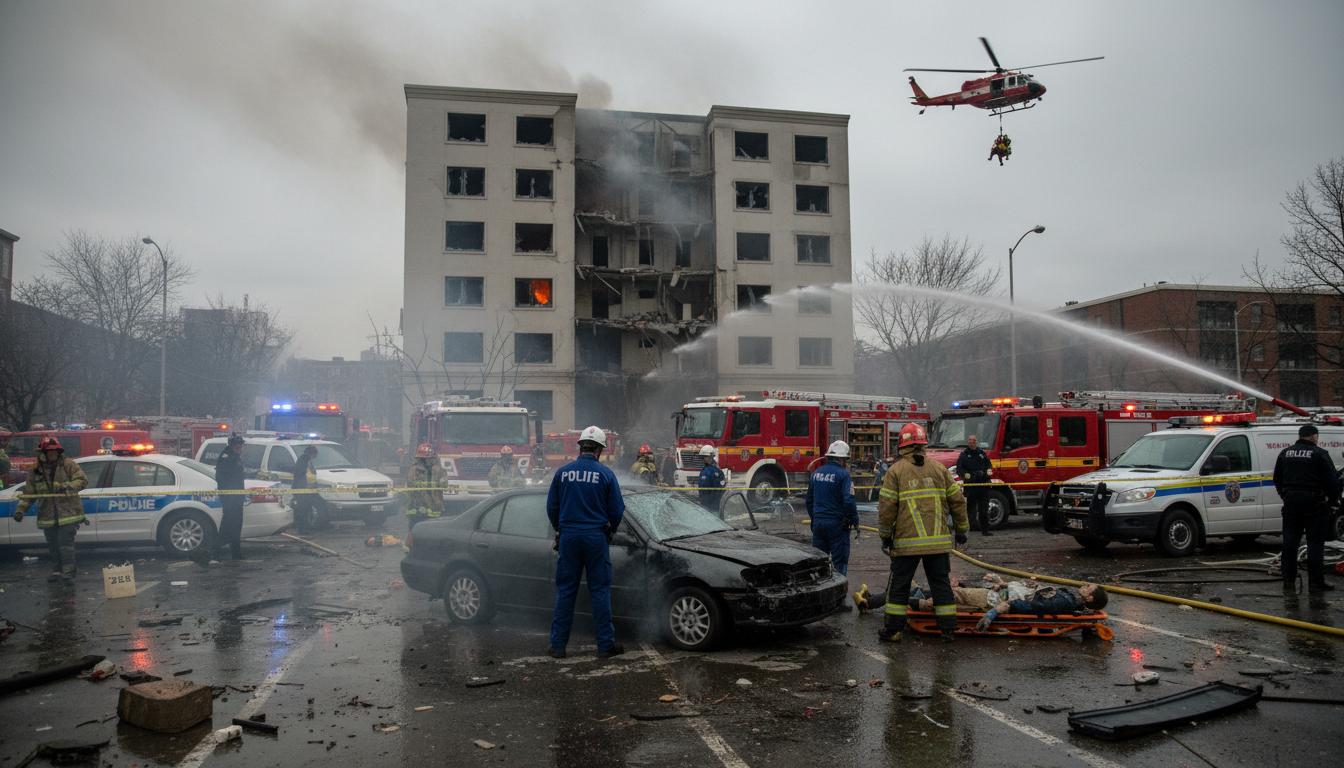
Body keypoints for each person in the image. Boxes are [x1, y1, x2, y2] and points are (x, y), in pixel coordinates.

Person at [876, 422, 969, 642]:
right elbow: (958, 500)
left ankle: (894, 630)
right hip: (938, 544)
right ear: (923, 443)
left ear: (903, 445)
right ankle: (947, 630)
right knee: (941, 585)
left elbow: (887, 508)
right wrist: (962, 530)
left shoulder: (895, 471)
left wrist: (885, 535)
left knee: (900, 586)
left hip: (906, 543)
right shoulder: (939, 469)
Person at [546, 426, 625, 659]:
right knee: (599, 590)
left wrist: (560, 528)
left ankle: (558, 646)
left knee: (566, 590)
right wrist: (610, 530)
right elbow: (617, 510)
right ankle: (605, 646)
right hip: (595, 537)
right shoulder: (606, 474)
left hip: (569, 536)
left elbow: (551, 507)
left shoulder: (563, 473)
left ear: (580, 447)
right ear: (600, 449)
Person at [1272, 424, 1341, 594]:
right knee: (1315, 544)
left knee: (1290, 543)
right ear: (1313, 436)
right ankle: (1316, 583)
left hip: (1291, 504)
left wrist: (1285, 495)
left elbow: (1277, 479)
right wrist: (1332, 501)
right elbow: (1332, 482)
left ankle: (1288, 582)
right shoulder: (1319, 454)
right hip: (1315, 504)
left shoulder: (1285, 453)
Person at [13, 436, 89, 583]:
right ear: (43, 453)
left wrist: (67, 486)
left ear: (59, 451)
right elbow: (29, 493)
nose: (52, 454)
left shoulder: (68, 465)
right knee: (53, 546)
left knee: (65, 545)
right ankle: (57, 571)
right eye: (49, 451)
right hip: (47, 515)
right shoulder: (35, 471)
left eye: (55, 451)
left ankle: (68, 573)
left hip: (68, 514)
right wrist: (20, 510)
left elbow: (82, 480)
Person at [806, 440, 859, 582]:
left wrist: (815, 518)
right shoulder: (843, 475)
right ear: (841, 459)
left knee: (818, 562)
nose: (846, 463)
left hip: (818, 525)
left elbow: (808, 501)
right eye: (846, 460)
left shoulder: (816, 473)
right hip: (837, 526)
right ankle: (839, 592)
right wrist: (855, 521)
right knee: (839, 562)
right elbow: (848, 501)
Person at [214, 434, 247, 561]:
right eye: (239, 445)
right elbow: (222, 478)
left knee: (236, 525)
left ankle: (236, 554)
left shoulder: (235, 456)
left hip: (237, 497)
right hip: (230, 498)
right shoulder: (226, 457)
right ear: (233, 445)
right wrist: (230, 493)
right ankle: (214, 552)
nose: (241, 447)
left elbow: (239, 474)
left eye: (241, 445)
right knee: (228, 525)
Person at [956, 435, 994, 536]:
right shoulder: (964, 455)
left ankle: (985, 530)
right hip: (971, 486)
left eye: (973, 441)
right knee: (971, 509)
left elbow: (989, 465)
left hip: (983, 486)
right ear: (968, 442)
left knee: (984, 510)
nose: (972, 443)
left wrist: (986, 473)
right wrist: (966, 476)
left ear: (976, 442)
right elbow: (959, 469)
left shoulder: (981, 454)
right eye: (970, 441)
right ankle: (971, 529)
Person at [404, 443, 445, 528]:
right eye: (423, 459)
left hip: (434, 508)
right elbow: (410, 484)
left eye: (428, 458)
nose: (426, 461)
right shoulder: (414, 470)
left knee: (432, 532)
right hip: (417, 509)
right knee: (415, 531)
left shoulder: (439, 470)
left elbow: (444, 485)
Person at [291, 444, 320, 531]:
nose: (315, 457)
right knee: (303, 510)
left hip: (308, 490)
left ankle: (306, 527)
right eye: (315, 454)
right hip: (302, 490)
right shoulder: (303, 461)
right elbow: (301, 474)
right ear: (311, 454)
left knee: (307, 510)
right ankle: (302, 529)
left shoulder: (307, 461)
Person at [696, 445, 725, 512]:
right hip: (709, 505)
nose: (703, 459)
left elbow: (718, 490)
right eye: (703, 457)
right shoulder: (710, 470)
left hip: (711, 506)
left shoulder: (712, 471)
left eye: (704, 457)